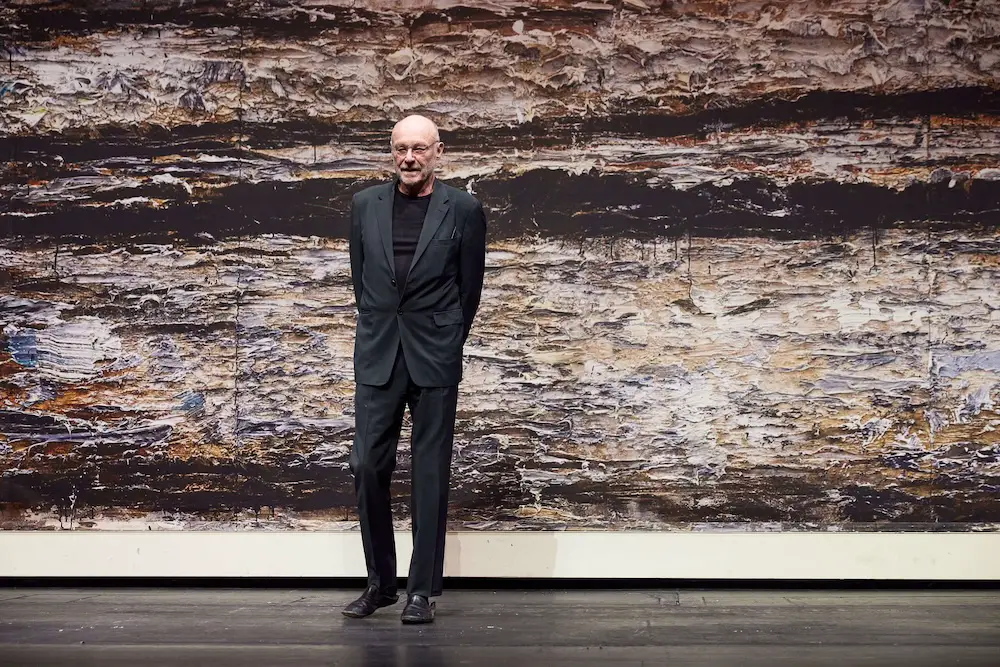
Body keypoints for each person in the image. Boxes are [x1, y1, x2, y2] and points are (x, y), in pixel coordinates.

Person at [341, 114, 487, 624]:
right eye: (401, 148)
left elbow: (469, 290)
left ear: (437, 152)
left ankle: (419, 592)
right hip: (379, 353)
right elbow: (363, 286)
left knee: (429, 474)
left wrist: (445, 339)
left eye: (419, 149)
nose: (409, 157)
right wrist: (383, 331)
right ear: (391, 151)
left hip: (434, 355)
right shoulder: (364, 205)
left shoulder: (464, 209)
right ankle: (380, 584)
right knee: (367, 466)